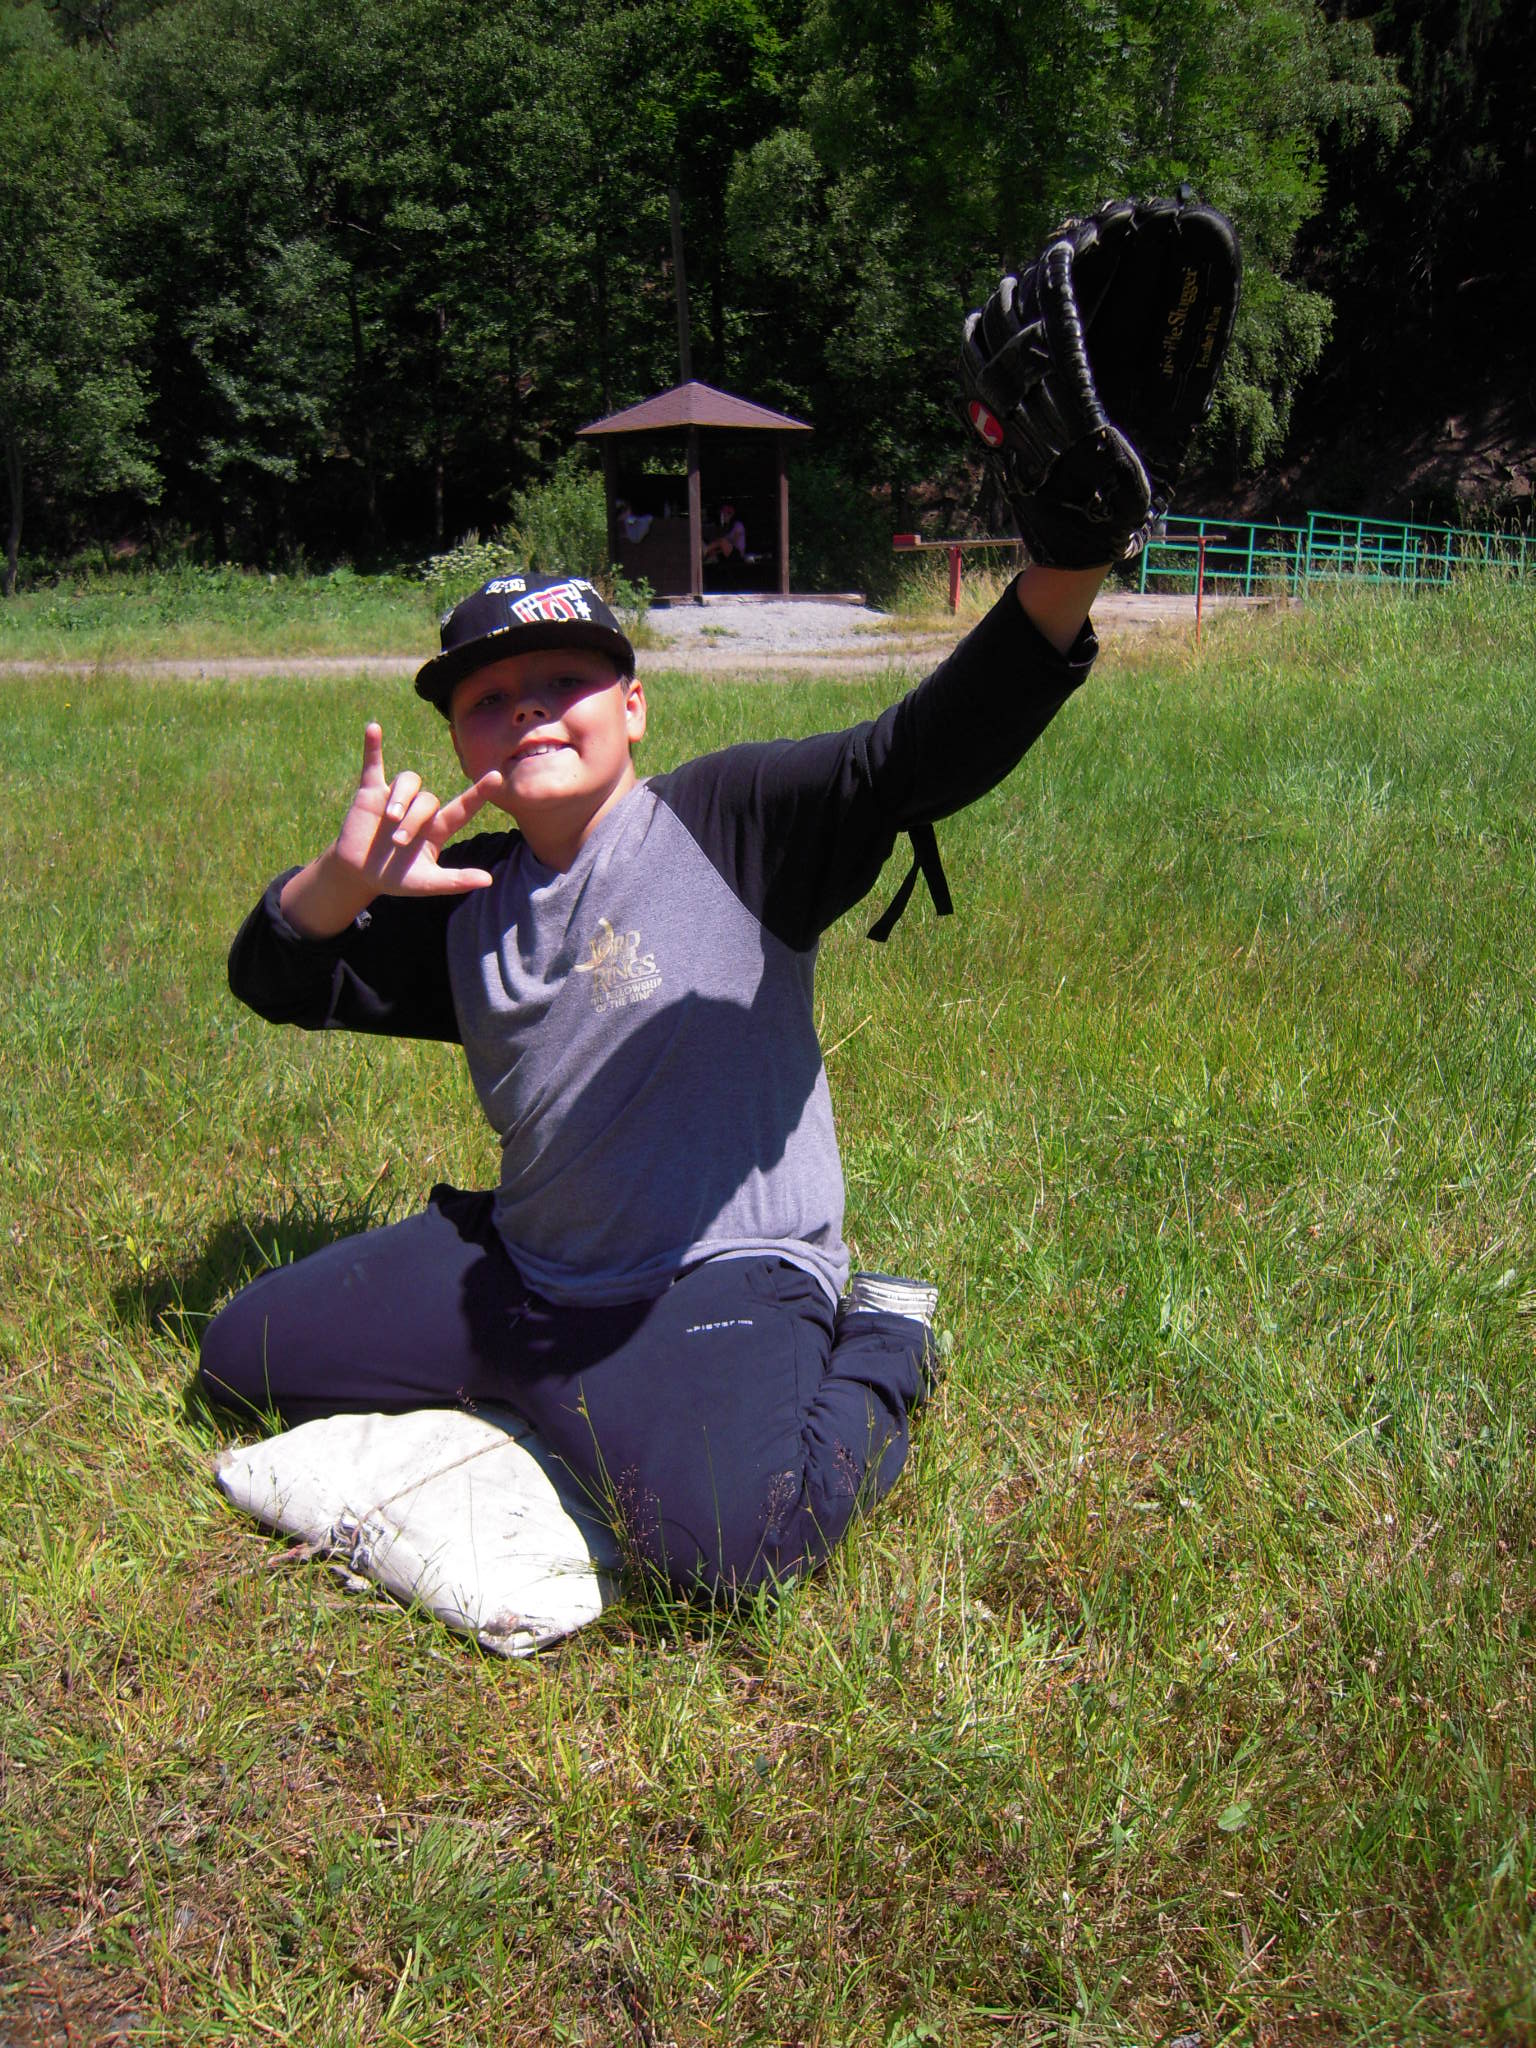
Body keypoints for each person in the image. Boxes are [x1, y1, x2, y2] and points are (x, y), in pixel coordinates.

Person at [198, 559, 1107, 1596]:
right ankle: (542, 1384)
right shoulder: (466, 897)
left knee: (728, 1547)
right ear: (458, 741)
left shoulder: (729, 824)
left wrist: (1067, 571)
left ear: (633, 707)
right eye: (489, 698)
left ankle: (886, 1338)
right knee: (241, 1355)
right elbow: (272, 977)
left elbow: (917, 752)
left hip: (716, 1271)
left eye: (565, 680)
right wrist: (339, 883)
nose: (527, 707)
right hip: (527, 1267)